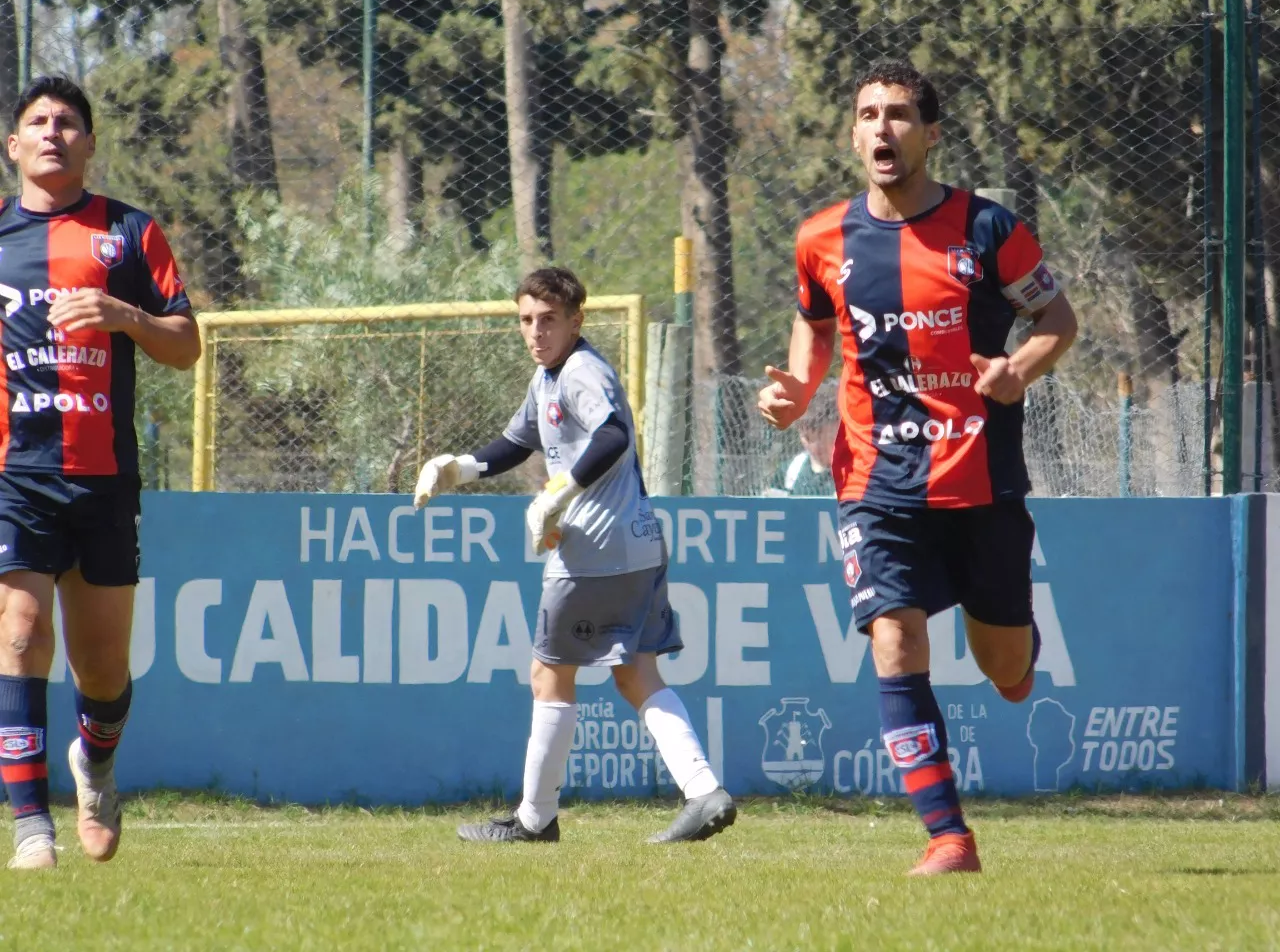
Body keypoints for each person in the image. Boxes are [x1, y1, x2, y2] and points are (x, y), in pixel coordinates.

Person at [757, 60, 1078, 876]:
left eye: (899, 114)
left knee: (1007, 670)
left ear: (931, 134)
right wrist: (799, 387)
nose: (882, 127)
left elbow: (1056, 316)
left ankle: (1012, 641)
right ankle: (948, 837)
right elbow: (815, 325)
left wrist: (1019, 370)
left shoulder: (989, 228)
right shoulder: (820, 237)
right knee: (894, 641)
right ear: (853, 133)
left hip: (980, 479)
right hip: (874, 479)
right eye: (868, 113)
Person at [414, 267, 736, 844]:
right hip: (639, 544)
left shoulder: (581, 370)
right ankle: (704, 791)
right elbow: (519, 442)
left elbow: (613, 435)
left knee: (548, 675)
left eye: (548, 320)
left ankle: (535, 820)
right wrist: (460, 467)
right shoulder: (547, 377)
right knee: (636, 672)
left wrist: (560, 491)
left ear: (576, 320)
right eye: (525, 320)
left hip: (594, 549)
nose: (535, 332)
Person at [0, 77, 200, 869]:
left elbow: (185, 346)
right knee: (19, 634)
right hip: (14, 474)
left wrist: (127, 316)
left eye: (69, 123)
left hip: (104, 476)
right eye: (37, 122)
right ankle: (29, 828)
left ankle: (97, 761)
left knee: (104, 670)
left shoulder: (129, 232)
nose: (53, 132)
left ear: (90, 143)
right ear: (13, 146)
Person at [763, 383, 837, 498]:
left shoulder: (856, 471)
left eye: (828, 438)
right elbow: (773, 510)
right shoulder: (790, 471)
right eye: (808, 438)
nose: (818, 446)